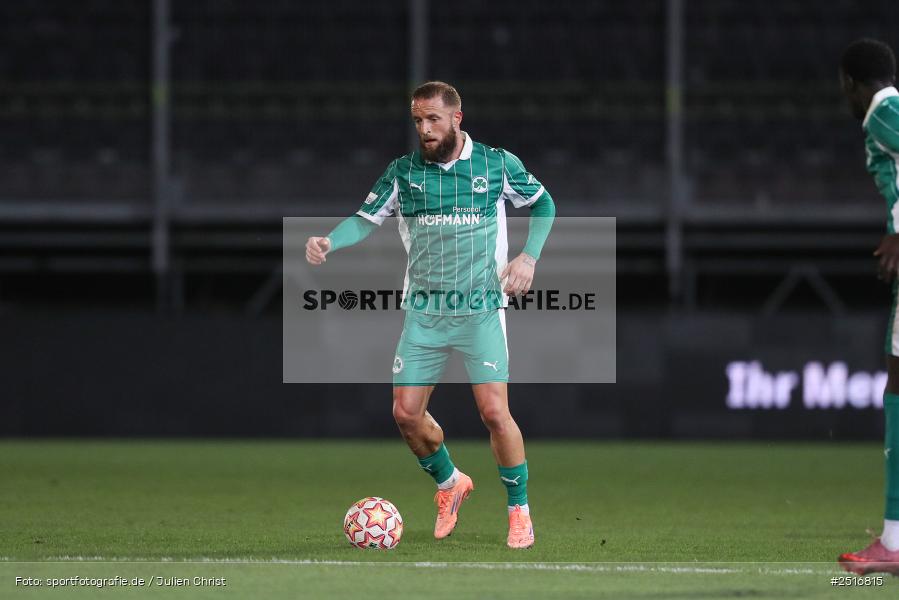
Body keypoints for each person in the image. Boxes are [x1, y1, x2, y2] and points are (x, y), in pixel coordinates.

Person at [305, 81, 555, 548]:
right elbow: (365, 218)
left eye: (433, 119)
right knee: (405, 414)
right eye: (418, 120)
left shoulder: (496, 164)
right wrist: (328, 241)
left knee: (495, 412)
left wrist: (529, 257)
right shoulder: (403, 173)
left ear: (457, 118)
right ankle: (450, 484)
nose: (424, 128)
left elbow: (543, 201)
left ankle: (519, 510)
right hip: (424, 312)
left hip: (480, 308)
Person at [838, 38, 899, 574]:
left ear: (851, 82)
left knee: (897, 386)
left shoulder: (885, 109)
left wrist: (898, 233)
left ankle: (895, 542)